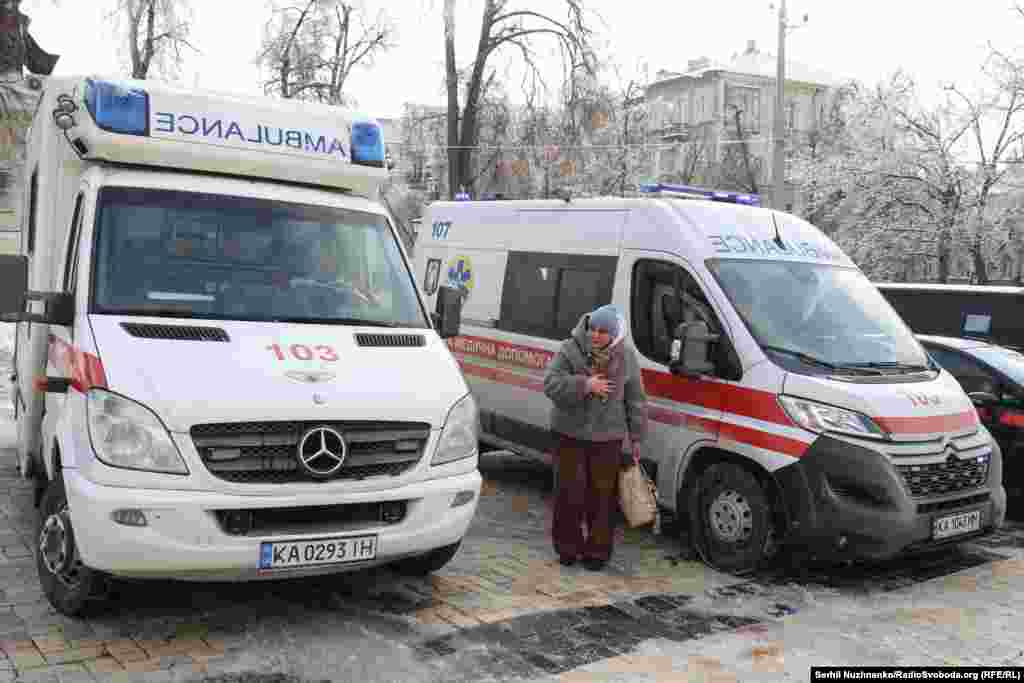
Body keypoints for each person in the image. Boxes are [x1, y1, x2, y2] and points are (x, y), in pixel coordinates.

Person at [543, 304, 648, 570]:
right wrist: (585, 384)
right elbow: (551, 384)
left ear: (613, 334)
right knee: (569, 494)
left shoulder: (626, 356)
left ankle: (597, 553)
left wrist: (636, 437)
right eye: (594, 329)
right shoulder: (570, 349)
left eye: (604, 331)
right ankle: (567, 548)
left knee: (602, 498)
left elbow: (635, 399)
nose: (597, 335)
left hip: (607, 438)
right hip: (569, 434)